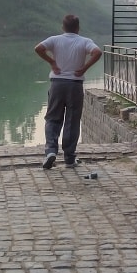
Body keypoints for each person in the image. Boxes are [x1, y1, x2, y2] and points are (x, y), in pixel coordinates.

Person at [34, 14, 102, 169]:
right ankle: (69, 158)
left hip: (57, 84)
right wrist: (84, 67)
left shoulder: (55, 39)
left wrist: (52, 62)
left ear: (62, 27)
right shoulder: (84, 41)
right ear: (78, 28)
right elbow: (97, 52)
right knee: (72, 121)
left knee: (52, 118)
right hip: (75, 85)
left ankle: (51, 150)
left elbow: (38, 48)